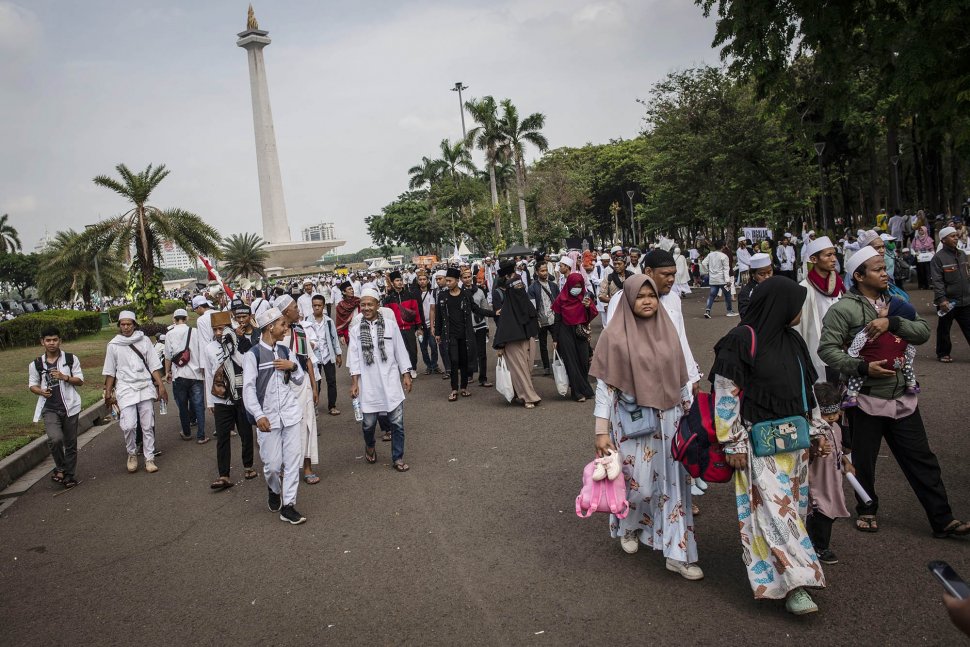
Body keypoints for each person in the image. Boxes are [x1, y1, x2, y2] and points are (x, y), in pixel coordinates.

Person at [818, 246, 970, 538]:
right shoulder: (844, 309)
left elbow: (923, 331)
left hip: (903, 396)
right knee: (864, 460)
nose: (885, 273)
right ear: (859, 276)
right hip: (864, 399)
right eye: (877, 269)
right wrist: (862, 368)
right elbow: (827, 350)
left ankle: (943, 519)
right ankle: (867, 509)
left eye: (884, 267)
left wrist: (893, 322)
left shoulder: (898, 301)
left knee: (922, 459)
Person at [710, 277, 826, 614]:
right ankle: (797, 586)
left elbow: (808, 392)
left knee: (792, 514)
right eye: (796, 304)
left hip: (796, 443)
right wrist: (732, 442)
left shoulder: (792, 341)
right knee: (777, 515)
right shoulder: (739, 341)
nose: (799, 312)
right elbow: (726, 395)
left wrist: (817, 431)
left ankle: (785, 577)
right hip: (759, 446)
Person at [591, 276, 701, 580]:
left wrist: (690, 413)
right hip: (631, 422)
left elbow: (681, 377)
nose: (648, 301)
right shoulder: (613, 337)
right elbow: (605, 387)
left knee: (673, 485)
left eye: (652, 295)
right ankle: (629, 525)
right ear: (628, 300)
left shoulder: (668, 330)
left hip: (669, 421)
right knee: (637, 482)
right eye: (641, 297)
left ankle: (678, 552)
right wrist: (601, 431)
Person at [242, 306, 307, 525]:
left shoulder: (286, 351)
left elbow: (299, 380)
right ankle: (273, 488)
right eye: (282, 325)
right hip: (267, 419)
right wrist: (258, 415)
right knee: (271, 465)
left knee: (292, 462)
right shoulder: (253, 356)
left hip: (290, 414)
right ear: (270, 327)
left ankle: (288, 505)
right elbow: (248, 389)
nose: (286, 328)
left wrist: (293, 366)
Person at [347, 288, 413, 471]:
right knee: (368, 424)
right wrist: (354, 383)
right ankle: (369, 445)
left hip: (390, 381)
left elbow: (400, 350)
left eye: (370, 304)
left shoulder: (391, 326)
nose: (366, 308)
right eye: (363, 305)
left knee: (397, 423)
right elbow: (353, 357)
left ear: (377, 305)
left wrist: (406, 374)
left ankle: (397, 458)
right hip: (368, 384)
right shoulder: (355, 330)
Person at [103, 310, 169, 474]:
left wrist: (161, 386)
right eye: (123, 324)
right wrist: (108, 392)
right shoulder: (114, 345)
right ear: (119, 326)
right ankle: (132, 453)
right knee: (129, 425)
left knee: (147, 425)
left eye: (129, 324)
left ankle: (149, 458)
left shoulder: (144, 340)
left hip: (145, 386)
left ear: (134, 324)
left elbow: (153, 365)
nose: (126, 327)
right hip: (125, 388)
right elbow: (110, 371)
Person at [203, 311, 257, 490]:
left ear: (229, 327)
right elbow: (209, 375)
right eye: (215, 330)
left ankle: (248, 466)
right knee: (223, 437)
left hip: (241, 396)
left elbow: (246, 364)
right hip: (221, 399)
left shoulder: (242, 342)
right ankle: (223, 475)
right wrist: (210, 401)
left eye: (221, 329)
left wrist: (232, 347)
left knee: (245, 432)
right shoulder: (209, 348)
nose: (219, 333)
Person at [28, 326, 84, 489]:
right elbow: (32, 385)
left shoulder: (70, 359)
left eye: (54, 340)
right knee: (55, 439)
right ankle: (60, 467)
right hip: (49, 408)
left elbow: (80, 380)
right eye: (48, 340)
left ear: (60, 341)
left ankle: (69, 475)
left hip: (70, 406)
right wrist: (41, 391)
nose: (51, 343)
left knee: (71, 443)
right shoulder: (36, 364)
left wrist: (64, 377)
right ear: (42, 342)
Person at [842, 295, 920, 407]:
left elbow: (861, 337)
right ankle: (911, 384)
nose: (880, 308)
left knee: (858, 372)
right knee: (907, 364)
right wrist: (907, 360)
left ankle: (852, 395)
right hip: (896, 364)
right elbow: (910, 350)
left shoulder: (875, 326)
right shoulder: (902, 334)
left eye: (885, 308)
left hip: (873, 361)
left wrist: (853, 353)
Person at [275, 295, 320, 485]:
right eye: (295, 307)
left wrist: (314, 385)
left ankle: (307, 466)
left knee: (308, 424)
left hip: (304, 387)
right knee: (287, 427)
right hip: (284, 387)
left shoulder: (300, 330)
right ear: (286, 312)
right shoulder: (276, 337)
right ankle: (286, 466)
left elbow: (308, 359)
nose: (298, 310)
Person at [807, 382, 852, 565]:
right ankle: (820, 547)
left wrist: (845, 461)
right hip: (817, 482)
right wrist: (815, 450)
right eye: (827, 414)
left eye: (835, 413)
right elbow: (808, 453)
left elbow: (838, 449)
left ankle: (817, 543)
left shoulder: (836, 428)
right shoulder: (813, 433)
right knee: (821, 514)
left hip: (832, 480)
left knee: (829, 514)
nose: (832, 417)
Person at [793, 237, 846, 382]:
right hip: (817, 350)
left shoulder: (839, 285)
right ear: (814, 259)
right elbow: (799, 327)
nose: (834, 259)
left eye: (834, 254)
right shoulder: (804, 288)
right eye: (828, 255)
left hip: (842, 349)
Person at [492, 260, 542, 409]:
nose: (519, 289)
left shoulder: (524, 302)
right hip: (512, 341)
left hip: (527, 337)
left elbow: (531, 315)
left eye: (521, 287)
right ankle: (528, 397)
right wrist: (500, 345)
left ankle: (519, 393)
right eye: (516, 287)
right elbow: (504, 325)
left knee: (526, 368)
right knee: (520, 370)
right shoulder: (507, 307)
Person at [435, 268, 488, 401]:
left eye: (450, 281)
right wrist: (437, 333)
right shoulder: (443, 296)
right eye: (446, 281)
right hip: (450, 334)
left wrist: (493, 313)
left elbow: (476, 309)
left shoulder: (465, 295)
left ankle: (463, 387)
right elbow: (439, 316)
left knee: (464, 361)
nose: (447, 283)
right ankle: (454, 389)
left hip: (465, 334)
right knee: (454, 360)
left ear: (457, 281)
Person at [164, 307, 208, 444]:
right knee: (199, 405)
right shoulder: (195, 332)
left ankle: (187, 432)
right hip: (196, 375)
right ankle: (201, 436)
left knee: (182, 406)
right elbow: (202, 351)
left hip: (179, 374)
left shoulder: (169, 334)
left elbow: (168, 356)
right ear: (187, 318)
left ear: (174, 320)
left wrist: (167, 372)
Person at [550, 273, 596, 402]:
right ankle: (577, 393)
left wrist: (588, 307)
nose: (577, 288)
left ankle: (585, 388)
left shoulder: (585, 298)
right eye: (574, 286)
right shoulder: (561, 299)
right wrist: (555, 339)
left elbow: (590, 316)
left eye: (579, 286)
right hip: (565, 333)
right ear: (568, 285)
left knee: (583, 361)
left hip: (580, 332)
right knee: (571, 362)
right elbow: (557, 320)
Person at [930, 226, 970, 363]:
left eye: (956, 235)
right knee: (944, 329)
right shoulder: (938, 258)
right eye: (952, 236)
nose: (956, 238)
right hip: (948, 302)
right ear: (943, 239)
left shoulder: (962, 255)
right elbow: (937, 280)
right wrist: (941, 299)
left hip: (965, 300)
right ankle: (943, 353)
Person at [305, 294, 342, 416]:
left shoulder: (329, 322)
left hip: (328, 356)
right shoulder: (307, 321)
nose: (316, 308)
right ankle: (314, 405)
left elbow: (334, 338)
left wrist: (338, 354)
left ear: (323, 306)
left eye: (319, 305)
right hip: (314, 358)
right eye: (314, 305)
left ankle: (332, 406)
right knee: (316, 382)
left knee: (331, 381)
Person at [382, 270, 422, 379]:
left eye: (400, 280)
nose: (399, 282)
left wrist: (419, 327)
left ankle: (413, 368)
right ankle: (405, 370)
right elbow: (387, 316)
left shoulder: (410, 295)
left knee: (413, 350)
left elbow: (416, 312)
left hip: (409, 328)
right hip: (397, 329)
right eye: (397, 280)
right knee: (400, 351)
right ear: (392, 283)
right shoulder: (388, 299)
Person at [462, 268, 494, 387]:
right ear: (461, 279)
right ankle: (469, 375)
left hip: (480, 325)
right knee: (468, 352)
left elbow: (485, 309)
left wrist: (486, 326)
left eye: (469, 276)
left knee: (482, 353)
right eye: (464, 277)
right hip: (466, 327)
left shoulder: (480, 291)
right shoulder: (459, 292)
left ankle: (483, 378)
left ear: (472, 277)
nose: (467, 279)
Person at [528, 262, 560, 377]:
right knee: (543, 344)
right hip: (541, 321)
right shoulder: (532, 288)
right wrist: (536, 320)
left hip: (554, 319)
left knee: (558, 341)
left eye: (546, 270)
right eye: (542, 271)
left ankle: (559, 363)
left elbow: (559, 301)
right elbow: (532, 307)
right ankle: (546, 366)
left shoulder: (553, 286)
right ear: (537, 272)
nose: (545, 273)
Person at [416, 272, 440, 375]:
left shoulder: (433, 293)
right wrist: (417, 327)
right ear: (417, 281)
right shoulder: (414, 294)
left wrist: (434, 324)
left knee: (433, 346)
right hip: (420, 326)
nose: (422, 281)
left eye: (424, 279)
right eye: (420, 279)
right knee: (423, 347)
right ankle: (428, 366)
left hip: (431, 325)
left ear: (428, 281)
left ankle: (435, 365)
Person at [703, 243, 736, 318]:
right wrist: (728, 280)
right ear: (723, 246)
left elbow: (703, 263)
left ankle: (707, 310)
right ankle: (729, 311)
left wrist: (708, 271)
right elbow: (726, 269)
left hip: (713, 279)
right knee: (727, 295)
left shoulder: (710, 255)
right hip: (722, 279)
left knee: (712, 295)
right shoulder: (724, 256)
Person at [737, 253, 773, 317]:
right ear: (753, 274)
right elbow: (745, 315)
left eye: (769, 272)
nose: (767, 276)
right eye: (762, 274)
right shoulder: (746, 292)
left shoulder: (777, 285)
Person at [912, 226, 936, 290]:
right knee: (920, 272)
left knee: (928, 271)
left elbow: (932, 249)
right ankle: (921, 285)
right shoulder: (915, 239)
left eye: (922, 230)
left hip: (927, 259)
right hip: (919, 258)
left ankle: (928, 284)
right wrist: (915, 253)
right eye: (919, 230)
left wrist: (932, 253)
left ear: (925, 231)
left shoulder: (929, 239)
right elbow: (912, 248)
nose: (920, 231)